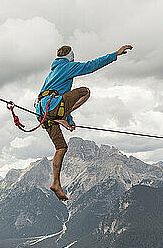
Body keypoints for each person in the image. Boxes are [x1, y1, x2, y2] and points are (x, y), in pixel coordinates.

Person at [36, 44, 133, 201]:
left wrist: (69, 119)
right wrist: (115, 54)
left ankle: (56, 183)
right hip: (53, 108)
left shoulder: (52, 73)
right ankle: (61, 119)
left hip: (43, 114)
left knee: (61, 147)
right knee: (85, 92)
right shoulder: (67, 67)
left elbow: (64, 98)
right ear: (70, 56)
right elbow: (91, 66)